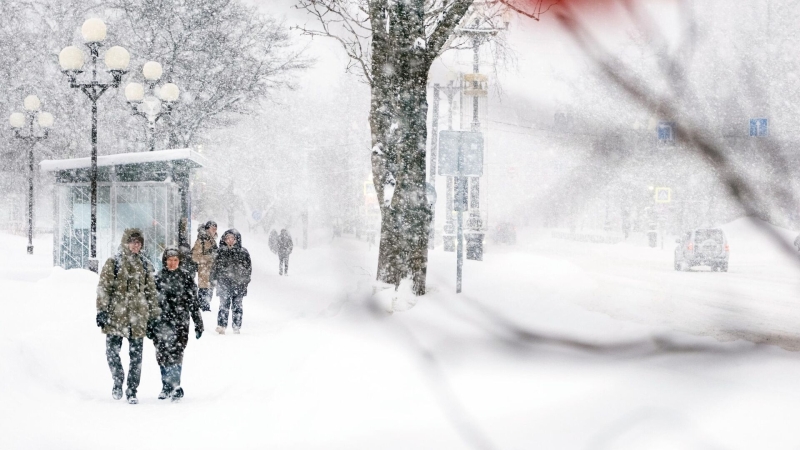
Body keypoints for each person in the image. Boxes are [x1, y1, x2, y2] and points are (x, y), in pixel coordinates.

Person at [96, 228, 160, 405]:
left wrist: (153, 317)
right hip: (116, 317)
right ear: (126, 242)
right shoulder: (113, 263)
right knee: (111, 353)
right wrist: (101, 310)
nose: (135, 245)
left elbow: (151, 293)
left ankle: (132, 390)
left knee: (136, 357)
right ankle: (118, 380)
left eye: (139, 242)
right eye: (133, 242)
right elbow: (104, 288)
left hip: (138, 319)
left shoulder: (146, 265)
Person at [151, 247, 204, 402]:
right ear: (165, 261)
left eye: (175, 260)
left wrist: (198, 323)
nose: (172, 263)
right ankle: (165, 385)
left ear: (179, 261)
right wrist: (150, 324)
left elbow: (193, 302)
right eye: (170, 260)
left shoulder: (186, 278)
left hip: (180, 322)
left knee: (176, 353)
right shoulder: (158, 278)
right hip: (161, 322)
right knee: (162, 355)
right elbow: (151, 303)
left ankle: (175, 386)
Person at [211, 229, 251, 335]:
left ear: (236, 239)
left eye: (232, 238)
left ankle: (236, 326)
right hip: (223, 283)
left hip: (239, 284)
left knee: (237, 305)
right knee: (223, 304)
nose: (229, 240)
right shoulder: (220, 252)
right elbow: (214, 267)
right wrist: (213, 279)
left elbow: (248, 269)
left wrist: (245, 281)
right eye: (227, 238)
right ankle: (221, 325)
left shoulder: (243, 252)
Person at [192, 221, 218, 311]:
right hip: (204, 270)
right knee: (204, 290)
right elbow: (195, 256)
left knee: (209, 290)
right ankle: (203, 308)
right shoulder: (202, 239)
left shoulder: (212, 240)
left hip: (211, 270)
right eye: (212, 228)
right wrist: (210, 257)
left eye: (215, 228)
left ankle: (205, 307)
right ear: (207, 228)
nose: (214, 230)